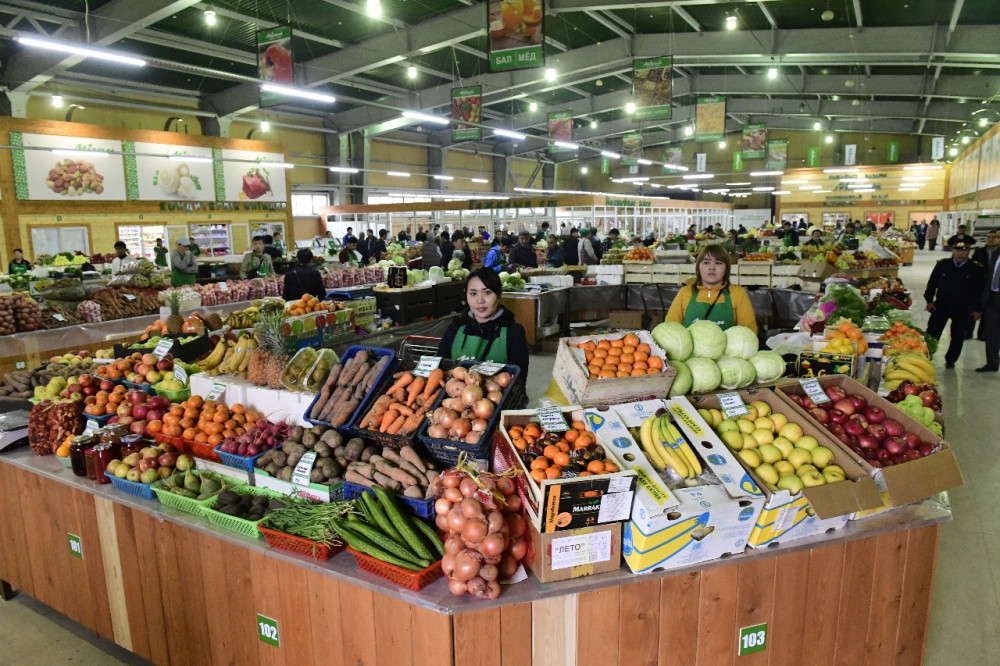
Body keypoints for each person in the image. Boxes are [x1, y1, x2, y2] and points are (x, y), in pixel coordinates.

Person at [437, 268, 530, 406]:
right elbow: (439, 370)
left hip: (501, 404)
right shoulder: (455, 329)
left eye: (487, 292)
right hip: (456, 405)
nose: (480, 300)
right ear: (466, 296)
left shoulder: (513, 332)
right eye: (473, 293)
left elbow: (517, 382)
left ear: (498, 295)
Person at [665, 244, 757, 332]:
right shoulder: (685, 293)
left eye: (718, 263)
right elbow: (670, 329)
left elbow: (749, 333)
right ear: (698, 267)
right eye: (706, 262)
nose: (712, 267)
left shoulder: (738, 294)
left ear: (726, 268)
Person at [924, 240, 983, 369]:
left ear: (969, 251)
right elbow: (932, 283)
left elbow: (979, 291)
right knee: (932, 333)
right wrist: (929, 300)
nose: (960, 253)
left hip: (963, 308)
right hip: (941, 305)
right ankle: (926, 356)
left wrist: (977, 309)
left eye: (963, 250)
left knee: (958, 336)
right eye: (957, 250)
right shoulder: (942, 265)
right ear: (952, 250)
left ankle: (951, 360)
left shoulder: (975, 269)